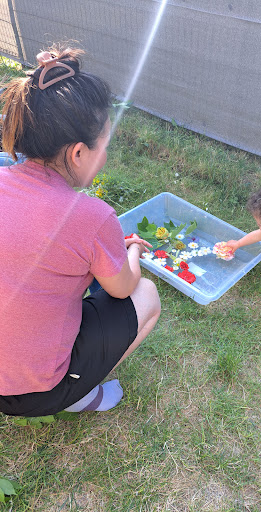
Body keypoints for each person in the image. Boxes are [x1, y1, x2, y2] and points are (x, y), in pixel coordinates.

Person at [0, 46, 161, 417]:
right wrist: (131, 251)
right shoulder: (92, 216)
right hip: (34, 392)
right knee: (147, 294)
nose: (105, 155)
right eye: (104, 144)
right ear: (77, 153)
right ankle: (79, 394)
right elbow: (121, 288)